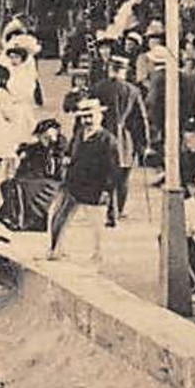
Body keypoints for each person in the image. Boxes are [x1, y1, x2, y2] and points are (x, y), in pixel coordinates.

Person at [47, 99, 121, 261]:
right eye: (83, 117)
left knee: (96, 224)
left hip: (94, 186)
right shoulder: (79, 134)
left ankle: (98, 252)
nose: (87, 120)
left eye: (90, 116)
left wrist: (107, 190)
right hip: (72, 183)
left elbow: (113, 169)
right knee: (58, 216)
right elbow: (70, 151)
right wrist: (66, 159)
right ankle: (55, 249)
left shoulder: (107, 140)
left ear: (100, 116)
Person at [90, 52, 145, 225]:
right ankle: (116, 211)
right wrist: (143, 144)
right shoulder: (132, 90)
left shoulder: (98, 88)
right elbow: (140, 119)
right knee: (122, 177)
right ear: (124, 71)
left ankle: (104, 205)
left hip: (103, 135)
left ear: (109, 70)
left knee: (103, 173)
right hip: (124, 138)